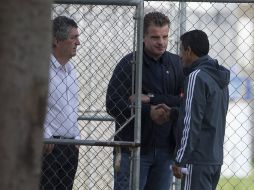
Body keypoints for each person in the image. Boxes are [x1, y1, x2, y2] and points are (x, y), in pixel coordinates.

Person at [106, 12, 184, 190]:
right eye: (155, 37)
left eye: (165, 36)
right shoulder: (129, 64)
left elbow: (184, 100)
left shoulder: (176, 64)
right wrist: (148, 112)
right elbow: (112, 103)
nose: (161, 42)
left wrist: (151, 99)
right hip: (134, 149)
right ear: (143, 37)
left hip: (165, 150)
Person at [170, 30, 230, 190]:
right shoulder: (219, 77)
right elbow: (209, 115)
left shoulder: (196, 77)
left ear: (188, 50)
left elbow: (191, 122)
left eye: (181, 50)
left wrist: (179, 159)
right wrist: (174, 113)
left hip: (196, 160)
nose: (180, 55)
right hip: (214, 159)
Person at [40, 16, 81, 190]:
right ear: (56, 40)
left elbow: (72, 107)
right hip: (49, 148)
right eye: (73, 38)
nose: (78, 42)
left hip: (70, 148)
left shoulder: (71, 72)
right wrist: (44, 133)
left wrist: (76, 137)